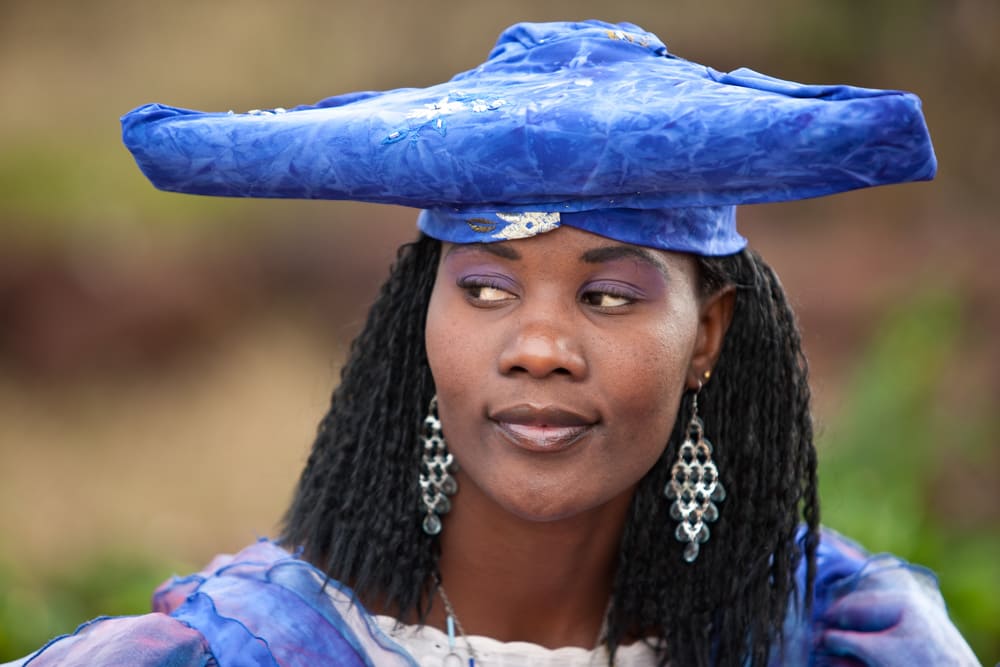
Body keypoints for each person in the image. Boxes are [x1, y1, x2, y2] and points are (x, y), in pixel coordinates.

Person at [8, 19, 979, 667]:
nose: (540, 345)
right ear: (420, 319)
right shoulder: (247, 649)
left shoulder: (839, 641)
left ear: (707, 336)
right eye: (483, 288)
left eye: (606, 295)